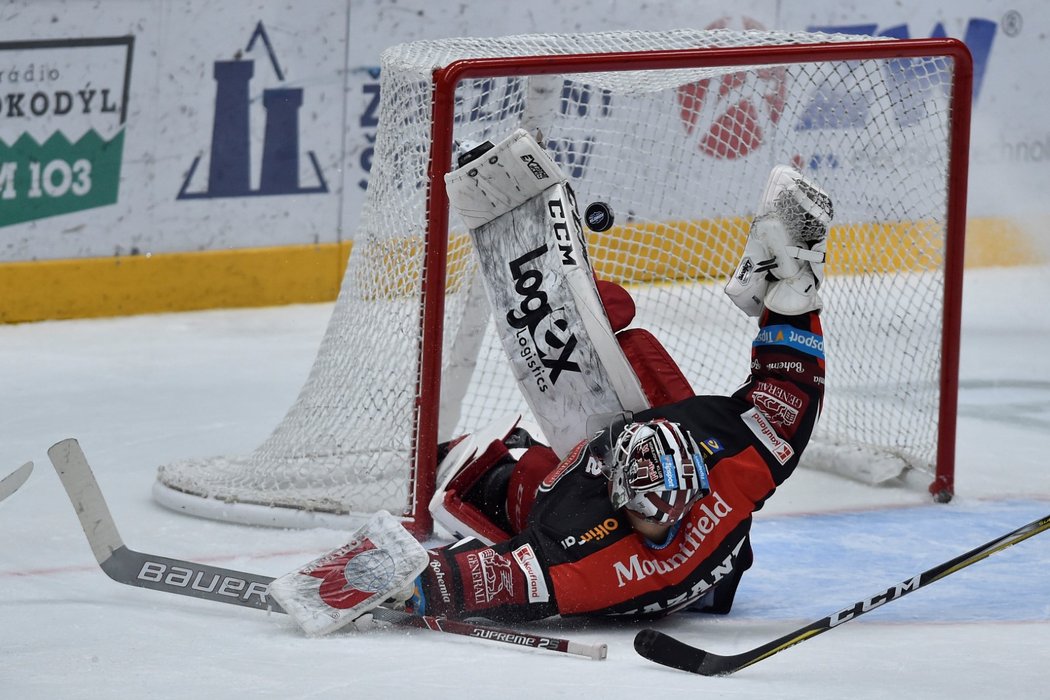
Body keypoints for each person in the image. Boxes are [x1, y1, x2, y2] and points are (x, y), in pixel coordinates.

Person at [269, 141, 833, 633]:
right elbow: (788, 399)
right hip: (722, 566)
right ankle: (790, 277)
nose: (657, 526)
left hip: (635, 573)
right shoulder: (729, 459)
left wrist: (414, 585)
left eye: (653, 517)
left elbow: (502, 579)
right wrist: (794, 303)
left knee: (509, 488)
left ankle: (478, 472)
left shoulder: (590, 561)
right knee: (638, 352)